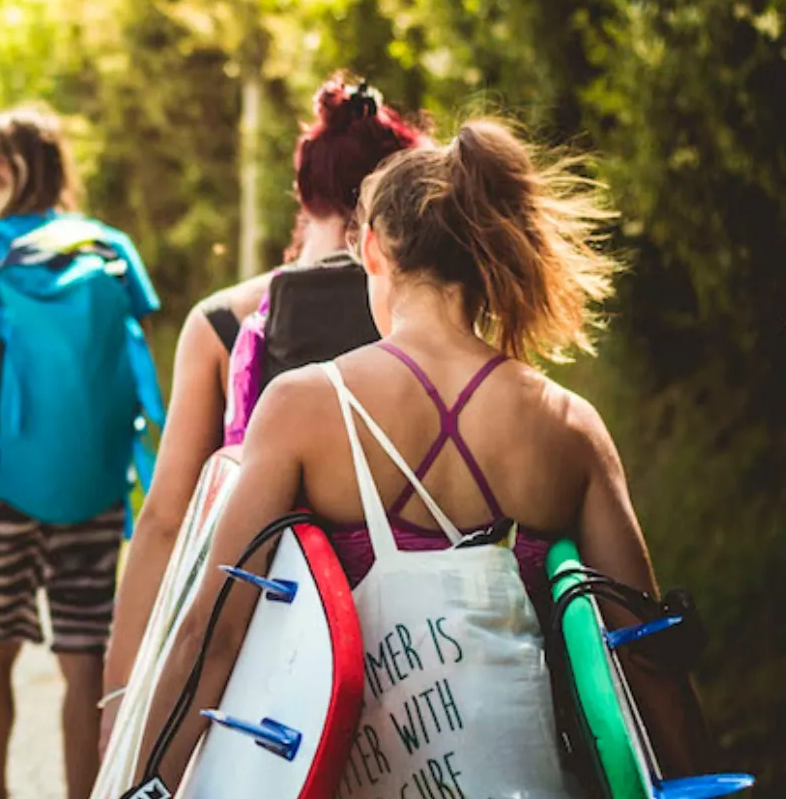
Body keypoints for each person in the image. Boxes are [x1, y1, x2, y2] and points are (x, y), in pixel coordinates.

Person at [135, 119, 712, 790]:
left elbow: (213, 634)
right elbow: (645, 655)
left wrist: (145, 782)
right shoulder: (568, 427)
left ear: (373, 252)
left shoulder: (303, 406)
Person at [102, 76, 428, 743]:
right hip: (416, 650)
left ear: (304, 197)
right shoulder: (430, 321)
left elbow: (166, 517)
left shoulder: (225, 321)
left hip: (258, 655)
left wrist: (119, 700)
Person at [0, 106, 161, 799]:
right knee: (85, 661)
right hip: (98, 485)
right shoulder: (111, 247)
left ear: (8, 170)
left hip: (3, 486)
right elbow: (133, 359)